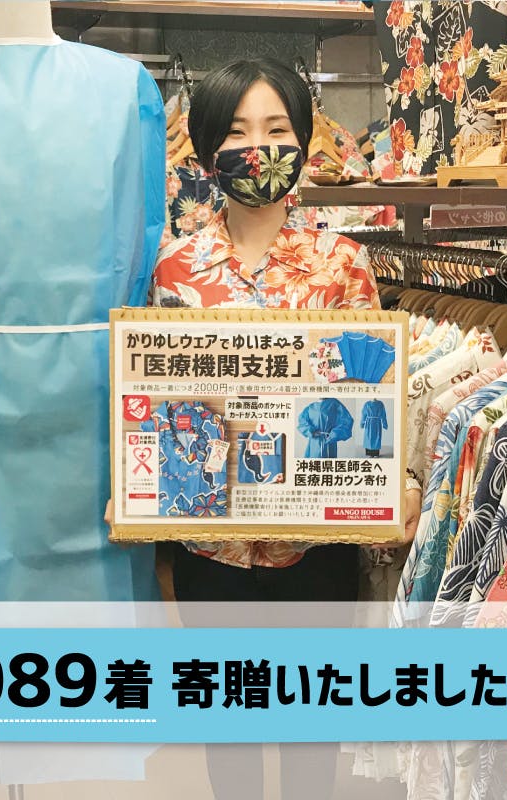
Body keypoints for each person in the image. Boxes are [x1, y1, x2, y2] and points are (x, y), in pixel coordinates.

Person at [129, 58, 422, 800]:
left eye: (277, 130)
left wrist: (399, 486)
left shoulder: (342, 263)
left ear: (302, 142)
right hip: (210, 548)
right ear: (206, 151)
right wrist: (138, 485)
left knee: (309, 735)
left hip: (315, 548)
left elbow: (374, 401)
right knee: (227, 729)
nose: (257, 149)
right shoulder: (172, 268)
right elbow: (154, 399)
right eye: (236, 133)